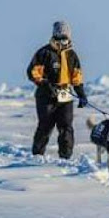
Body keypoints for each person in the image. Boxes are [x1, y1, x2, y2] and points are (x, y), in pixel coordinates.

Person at [27, 21, 88, 159]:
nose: (62, 40)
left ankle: (65, 157)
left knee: (66, 127)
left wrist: (81, 94)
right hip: (46, 96)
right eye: (59, 37)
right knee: (45, 126)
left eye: (65, 37)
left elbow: (77, 76)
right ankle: (37, 156)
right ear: (54, 36)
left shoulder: (72, 55)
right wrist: (46, 84)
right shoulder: (44, 53)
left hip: (65, 94)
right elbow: (33, 72)